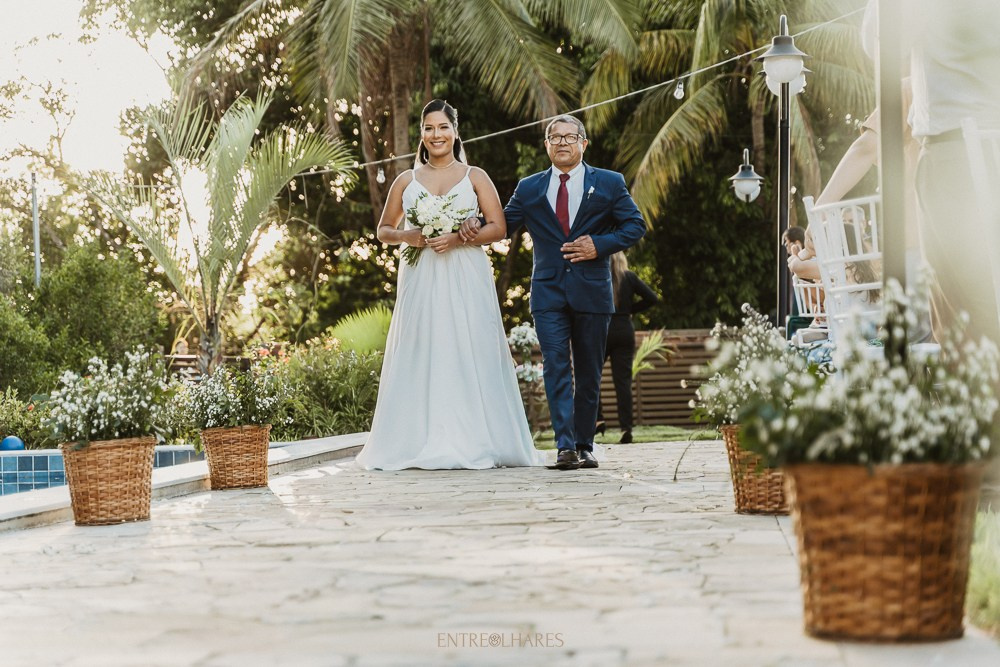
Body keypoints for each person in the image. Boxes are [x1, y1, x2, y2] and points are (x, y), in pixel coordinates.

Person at [355, 99, 544, 470]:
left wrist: (459, 237)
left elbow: (498, 227)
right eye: (428, 128)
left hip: (465, 273)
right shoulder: (405, 181)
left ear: (455, 132)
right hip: (422, 275)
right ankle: (414, 439)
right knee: (423, 345)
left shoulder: (476, 176)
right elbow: (384, 230)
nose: (435, 135)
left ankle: (475, 437)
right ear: (421, 135)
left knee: (467, 343)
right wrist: (409, 235)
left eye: (442, 127)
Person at [461, 114, 646, 470]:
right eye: (554, 137)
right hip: (547, 294)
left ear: (583, 143)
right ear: (546, 145)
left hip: (593, 292)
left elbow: (634, 225)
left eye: (569, 136)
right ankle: (565, 446)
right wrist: (473, 222)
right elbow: (503, 226)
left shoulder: (608, 183)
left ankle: (584, 442)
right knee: (556, 366)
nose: (562, 142)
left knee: (590, 370)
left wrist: (599, 245)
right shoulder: (529, 188)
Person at [595, 252, 658, 445]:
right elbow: (652, 298)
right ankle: (626, 429)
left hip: (601, 330)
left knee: (592, 376)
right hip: (624, 330)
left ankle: (598, 419)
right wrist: (629, 310)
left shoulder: (598, 275)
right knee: (622, 383)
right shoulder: (629, 277)